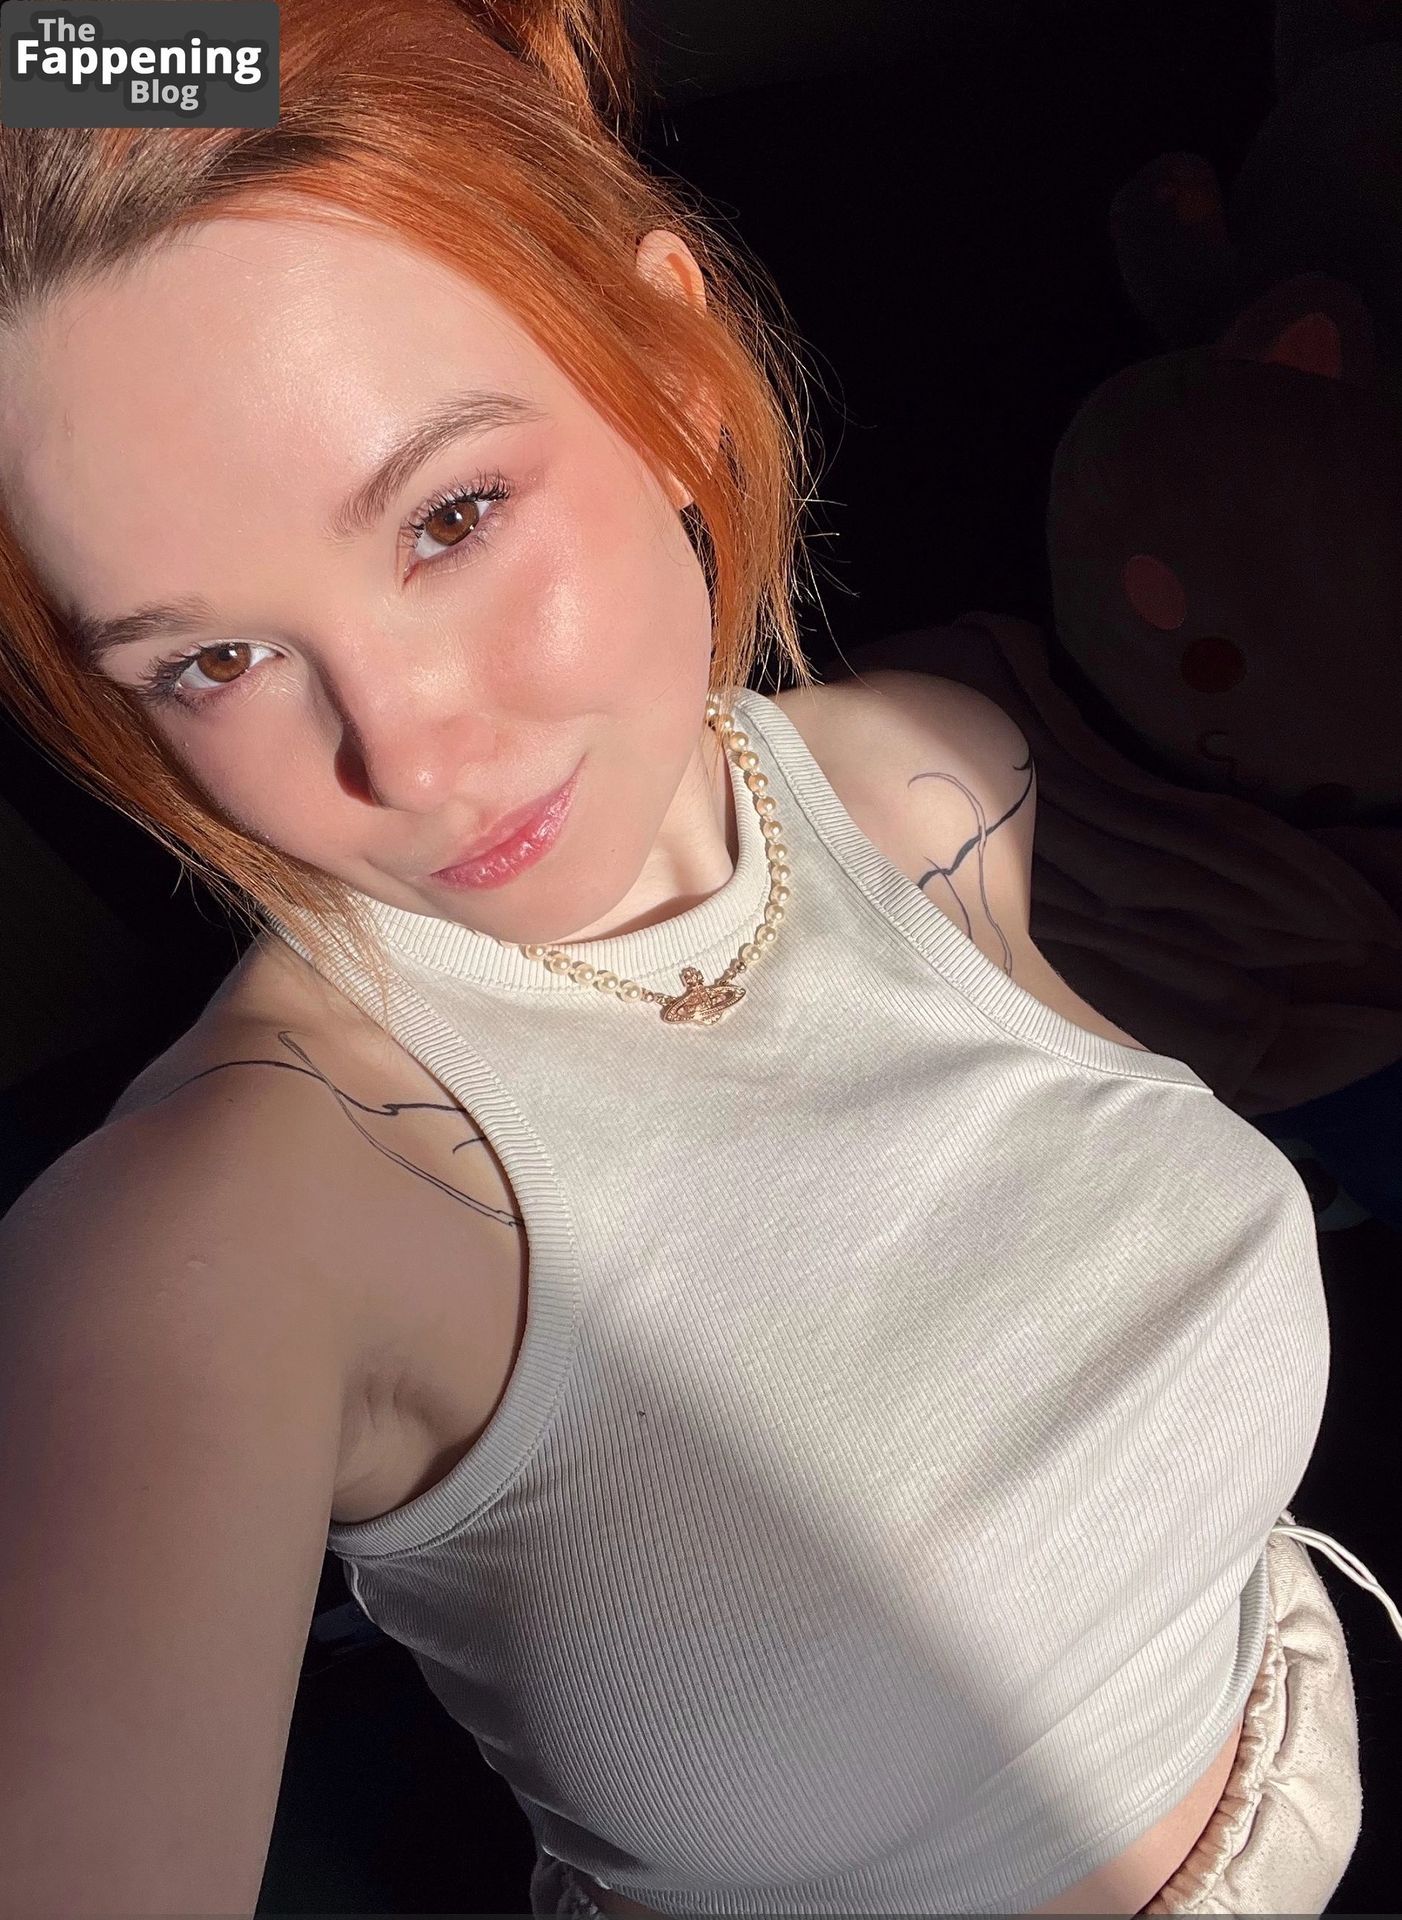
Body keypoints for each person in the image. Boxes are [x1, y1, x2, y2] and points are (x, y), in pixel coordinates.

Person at [0, 3, 1395, 1915]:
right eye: (210, 660)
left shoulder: (925, 775)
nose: (406, 755)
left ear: (666, 370)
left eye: (450, 517)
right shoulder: (215, 1235)